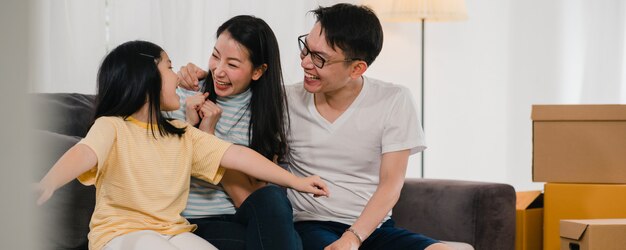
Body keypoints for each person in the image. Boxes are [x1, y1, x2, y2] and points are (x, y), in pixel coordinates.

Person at [36, 40, 328, 250]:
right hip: (118, 235)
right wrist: (49, 182)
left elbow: (237, 155)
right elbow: (84, 152)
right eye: (169, 67)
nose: (178, 76)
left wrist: (296, 181)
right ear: (146, 79)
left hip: (171, 231)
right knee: (148, 244)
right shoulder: (112, 126)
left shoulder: (181, 133)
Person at [286, 4, 451, 250]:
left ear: (357, 68)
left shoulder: (394, 99)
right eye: (305, 50)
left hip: (373, 228)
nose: (306, 63)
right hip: (311, 224)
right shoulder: (285, 100)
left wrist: (353, 237)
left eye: (319, 58)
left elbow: (391, 183)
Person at [171, 15, 300, 249]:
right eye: (215, 57)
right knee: (291, 241)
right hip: (188, 221)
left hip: (236, 216)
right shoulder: (184, 96)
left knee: (274, 198)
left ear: (258, 71)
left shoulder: (265, 113)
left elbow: (249, 199)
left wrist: (209, 138)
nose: (218, 71)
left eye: (232, 65)